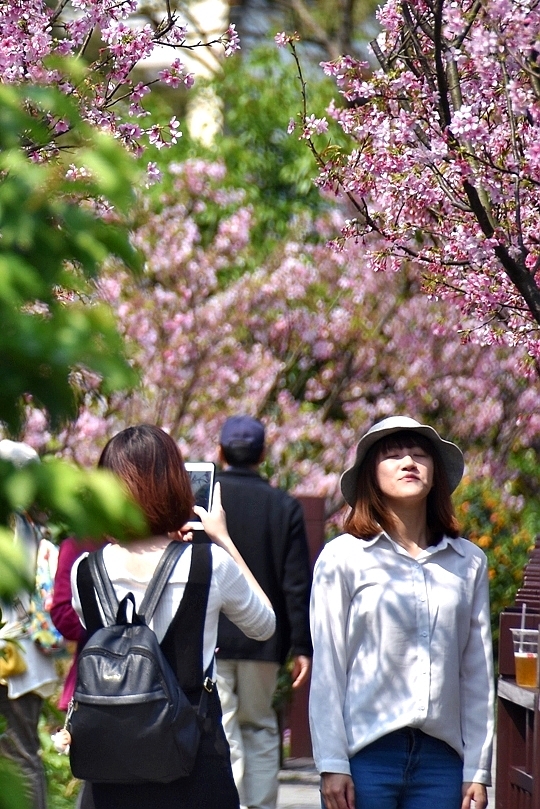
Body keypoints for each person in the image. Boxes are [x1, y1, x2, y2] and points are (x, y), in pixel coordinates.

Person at [70, 424, 275, 809]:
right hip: (192, 758)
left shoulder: (84, 570)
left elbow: (105, 634)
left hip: (110, 764)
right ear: (174, 484)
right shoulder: (209, 564)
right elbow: (263, 625)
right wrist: (222, 539)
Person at [309, 416, 494, 809]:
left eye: (419, 455)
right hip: (365, 756)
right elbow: (328, 667)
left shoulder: (469, 562)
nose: (408, 462)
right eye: (392, 456)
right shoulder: (342, 557)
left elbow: (476, 673)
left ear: (435, 472)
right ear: (370, 475)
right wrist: (332, 763)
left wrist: (477, 770)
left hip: (443, 762)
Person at [215, 415, 313, 809]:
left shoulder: (206, 500)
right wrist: (301, 645)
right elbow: (296, 583)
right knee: (258, 727)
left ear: (219, 452)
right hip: (264, 638)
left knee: (222, 728)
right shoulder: (284, 505)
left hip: (212, 637)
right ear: (263, 454)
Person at [0, 439, 59, 809]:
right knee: (23, 756)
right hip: (27, 659)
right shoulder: (35, 525)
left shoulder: (13, 524)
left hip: (13, 660)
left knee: (20, 758)